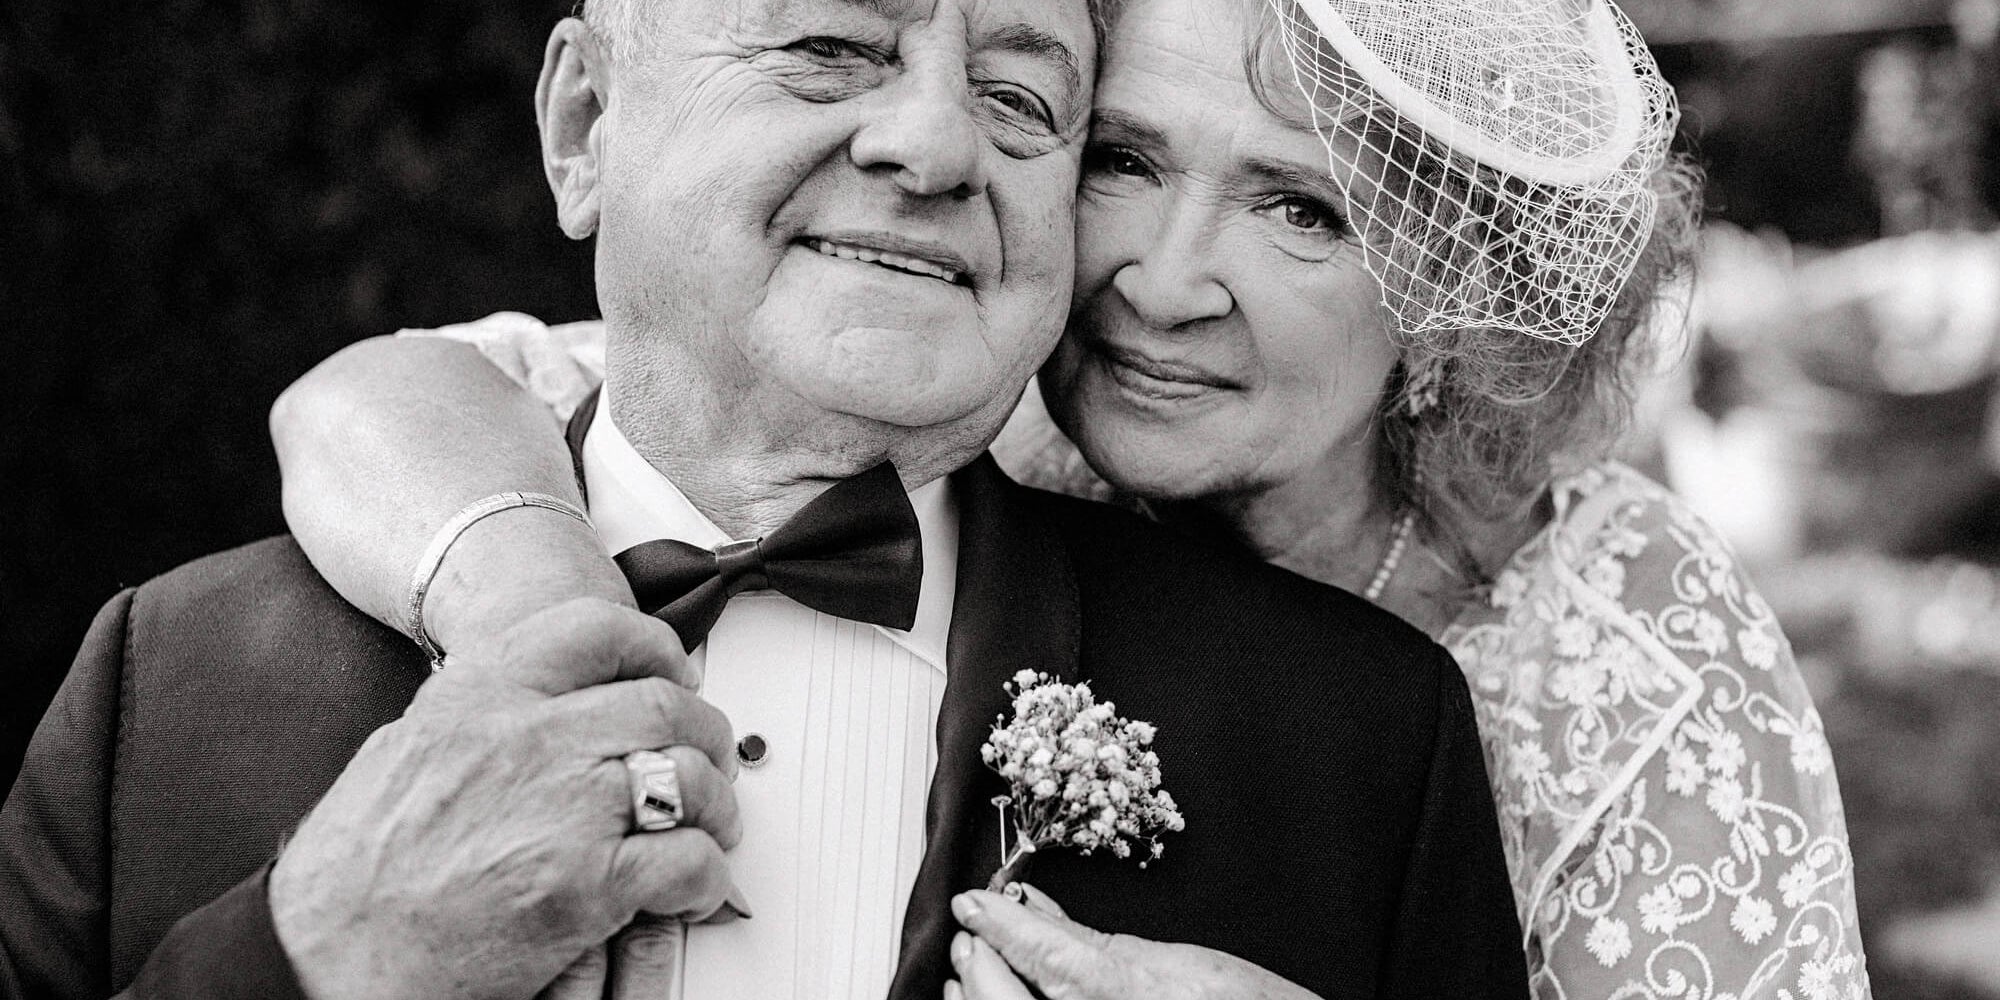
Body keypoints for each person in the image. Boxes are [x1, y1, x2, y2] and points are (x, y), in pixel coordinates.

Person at [267, 0, 1877, 997]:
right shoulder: (962, 412)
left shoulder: (1632, 661)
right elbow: (388, 395)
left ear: (1450, 298)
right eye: (1118, 158)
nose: (1165, 287)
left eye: (1301, 212)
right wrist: (545, 628)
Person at [0, 0, 1529, 998]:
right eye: (833, 49)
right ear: (585, 129)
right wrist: (308, 956)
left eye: (1018, 98)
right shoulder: (169, 687)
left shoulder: (1362, 747)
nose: (932, 144)